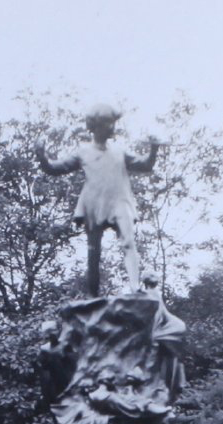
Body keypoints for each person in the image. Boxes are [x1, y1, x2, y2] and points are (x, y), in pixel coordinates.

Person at [36, 103, 160, 295]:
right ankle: (93, 296)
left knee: (128, 241)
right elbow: (55, 168)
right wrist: (42, 157)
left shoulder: (119, 151)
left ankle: (135, 287)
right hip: (94, 204)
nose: (111, 127)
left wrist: (153, 150)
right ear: (94, 126)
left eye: (112, 123)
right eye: (107, 123)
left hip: (120, 201)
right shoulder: (83, 152)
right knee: (94, 252)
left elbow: (144, 165)